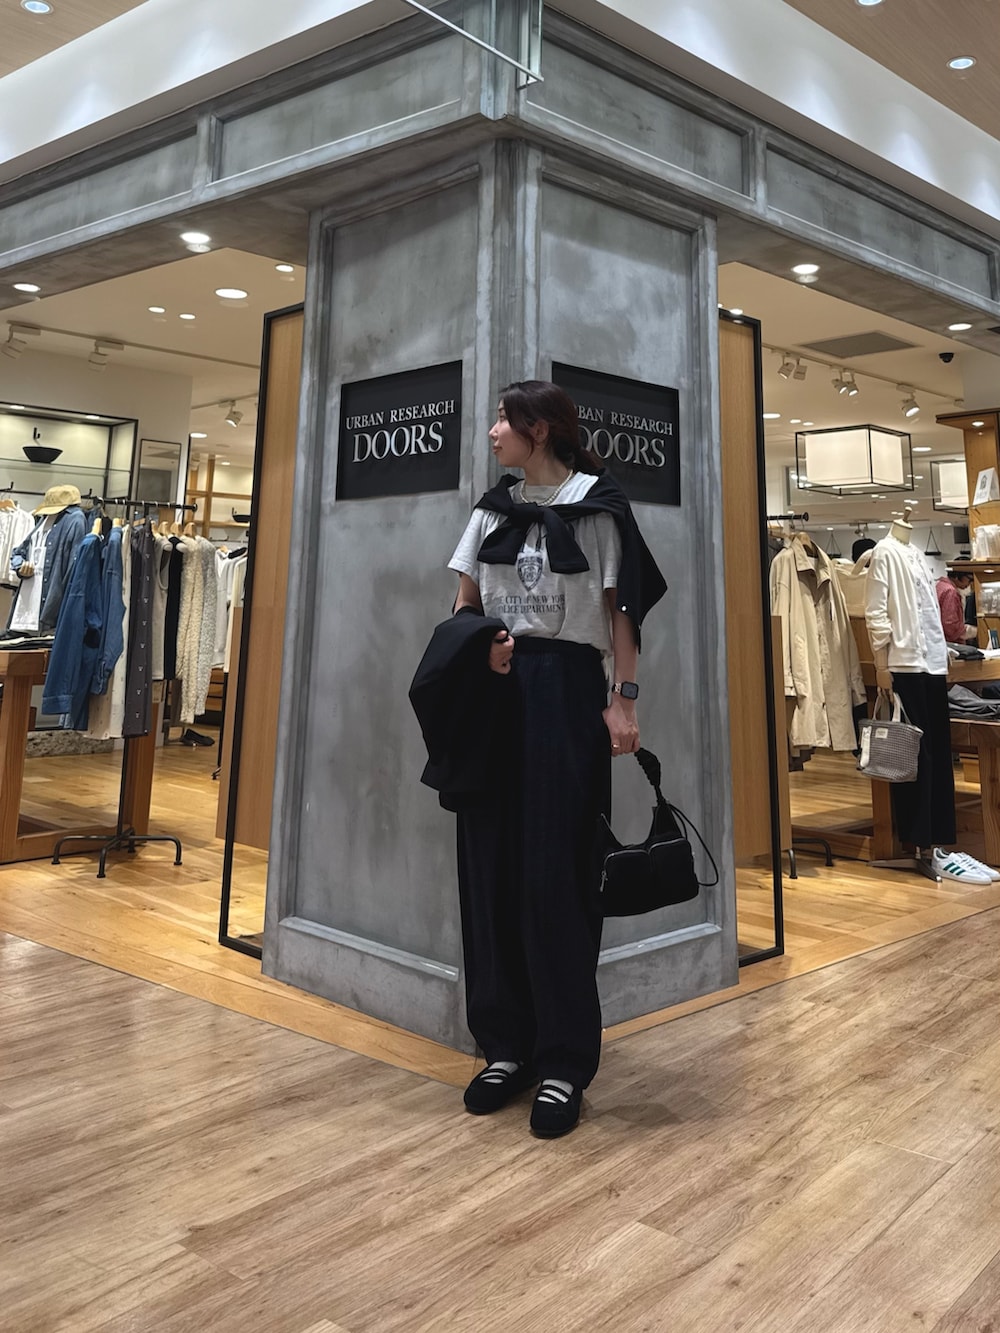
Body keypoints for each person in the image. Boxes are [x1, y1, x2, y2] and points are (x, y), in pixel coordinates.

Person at [443, 380, 666, 1138]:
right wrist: (481, 649)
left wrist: (624, 700)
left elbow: (621, 614)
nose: (493, 431)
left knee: (560, 874)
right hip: (496, 694)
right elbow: (464, 606)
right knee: (490, 867)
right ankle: (505, 1046)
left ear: (539, 430)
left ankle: (564, 1058)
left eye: (504, 419)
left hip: (568, 694)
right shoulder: (490, 509)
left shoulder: (598, 509)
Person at [935, 569, 975, 645]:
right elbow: (950, 624)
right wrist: (972, 632)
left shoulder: (940, 585)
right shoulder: (950, 591)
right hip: (950, 642)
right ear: (957, 576)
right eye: (969, 579)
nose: (970, 583)